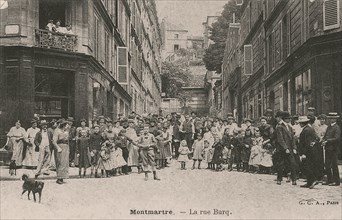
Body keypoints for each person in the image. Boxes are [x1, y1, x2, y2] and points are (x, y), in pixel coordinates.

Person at [275, 111, 298, 185]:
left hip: (290, 149)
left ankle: (294, 179)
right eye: (288, 118)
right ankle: (279, 179)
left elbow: (293, 138)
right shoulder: (279, 127)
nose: (289, 120)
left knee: (293, 164)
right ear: (284, 119)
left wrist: (294, 147)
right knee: (281, 164)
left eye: (289, 118)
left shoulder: (290, 127)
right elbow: (280, 139)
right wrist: (285, 148)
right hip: (283, 149)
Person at [297, 116, 319, 189]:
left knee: (306, 166)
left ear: (303, 123)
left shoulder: (307, 130)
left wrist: (304, 153)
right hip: (310, 151)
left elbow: (307, 143)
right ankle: (309, 182)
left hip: (308, 152)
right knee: (308, 166)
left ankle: (313, 179)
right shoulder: (308, 129)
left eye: (300, 123)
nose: (299, 124)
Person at [322, 113, 341, 186]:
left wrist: (327, 141)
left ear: (335, 119)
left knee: (334, 165)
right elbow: (325, 135)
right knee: (327, 165)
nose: (331, 120)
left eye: (332, 118)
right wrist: (323, 140)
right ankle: (329, 180)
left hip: (333, 149)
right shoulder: (329, 127)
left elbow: (336, 138)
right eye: (330, 118)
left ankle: (336, 181)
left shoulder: (337, 127)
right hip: (327, 148)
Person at [53, 119, 70, 184]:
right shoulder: (57, 131)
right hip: (60, 146)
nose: (67, 126)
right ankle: (59, 178)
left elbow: (67, 140)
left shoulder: (65, 131)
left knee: (65, 163)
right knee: (60, 162)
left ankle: (63, 177)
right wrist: (58, 148)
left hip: (66, 147)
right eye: (66, 125)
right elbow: (54, 141)